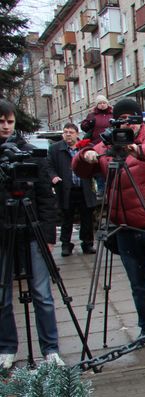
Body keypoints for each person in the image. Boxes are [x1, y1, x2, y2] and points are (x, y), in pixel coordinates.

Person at [72, 98, 145, 357]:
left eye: (130, 120)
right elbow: (80, 169)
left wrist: (139, 150)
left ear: (139, 122)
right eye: (120, 120)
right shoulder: (108, 143)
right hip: (123, 225)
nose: (125, 125)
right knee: (138, 284)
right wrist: (85, 155)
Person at [0, 99, 63, 369]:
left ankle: (50, 349)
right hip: (3, 233)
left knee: (42, 294)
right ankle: (6, 348)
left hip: (32, 230)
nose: (5, 126)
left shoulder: (29, 153)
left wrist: (49, 236)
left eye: (10, 121)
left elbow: (46, 199)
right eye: (1, 121)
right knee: (2, 296)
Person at [48, 122, 98, 256]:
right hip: (66, 189)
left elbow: (96, 165)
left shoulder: (87, 148)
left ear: (77, 134)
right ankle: (66, 245)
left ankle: (87, 244)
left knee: (87, 218)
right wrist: (53, 176)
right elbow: (49, 166)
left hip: (85, 189)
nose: (68, 135)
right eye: (65, 132)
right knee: (66, 218)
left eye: (71, 132)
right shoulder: (55, 149)